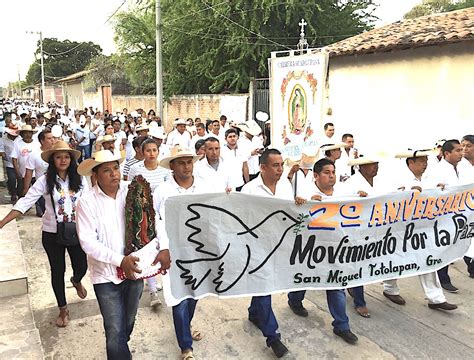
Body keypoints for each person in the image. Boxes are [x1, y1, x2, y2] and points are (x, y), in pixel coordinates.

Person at [76, 149, 171, 359]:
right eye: (107, 170)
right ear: (96, 175)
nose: (114, 174)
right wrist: (120, 260)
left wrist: (164, 247)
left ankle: (119, 347)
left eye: (116, 168)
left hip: (136, 270)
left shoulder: (134, 190)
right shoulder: (86, 202)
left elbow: (156, 221)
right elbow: (88, 242)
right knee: (114, 329)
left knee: (127, 322)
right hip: (105, 275)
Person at [0, 140, 88, 327]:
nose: (63, 160)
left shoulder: (80, 180)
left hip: (77, 232)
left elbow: (89, 205)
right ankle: (63, 308)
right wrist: (3, 222)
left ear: (71, 160)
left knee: (82, 266)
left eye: (66, 157)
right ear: (53, 160)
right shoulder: (44, 180)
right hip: (52, 234)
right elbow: (26, 201)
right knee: (57, 271)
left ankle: (76, 280)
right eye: (58, 156)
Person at [288, 158, 359, 344]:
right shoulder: (306, 193)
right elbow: (294, 217)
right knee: (305, 279)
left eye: (333, 172)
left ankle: (342, 326)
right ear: (316, 176)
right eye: (327, 172)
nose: (331, 175)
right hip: (311, 250)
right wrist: (304, 203)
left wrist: (363, 197)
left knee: (335, 286)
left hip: (336, 249)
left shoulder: (344, 192)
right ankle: (294, 300)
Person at [380, 150, 457, 310]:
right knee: (394, 257)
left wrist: (440, 189)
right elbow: (389, 198)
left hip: (423, 227)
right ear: (411, 163)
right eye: (421, 161)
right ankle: (390, 288)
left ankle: (436, 298)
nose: (425, 164)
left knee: (428, 258)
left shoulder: (429, 178)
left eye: (426, 160)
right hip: (400, 228)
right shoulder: (396, 178)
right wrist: (407, 192)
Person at [153, 146, 204, 360]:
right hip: (173, 250)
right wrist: (163, 247)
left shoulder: (204, 187)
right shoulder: (162, 191)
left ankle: (186, 324)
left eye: (189, 162)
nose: (186, 166)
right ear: (172, 166)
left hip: (199, 250)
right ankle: (186, 346)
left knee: (195, 293)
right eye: (181, 162)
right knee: (178, 296)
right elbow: (157, 220)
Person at [240, 148, 291, 358]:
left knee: (263, 288)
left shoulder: (286, 186)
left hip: (280, 246)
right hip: (257, 249)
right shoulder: (249, 190)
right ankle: (273, 337)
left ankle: (254, 313)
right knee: (264, 287)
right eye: (275, 165)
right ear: (262, 167)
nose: (280, 169)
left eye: (282, 165)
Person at [127, 137, 169, 306]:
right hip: (143, 217)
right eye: (148, 151)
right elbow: (130, 192)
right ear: (142, 152)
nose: (151, 154)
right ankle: (152, 292)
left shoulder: (165, 170)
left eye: (154, 150)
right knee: (148, 249)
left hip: (162, 215)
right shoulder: (135, 169)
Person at [432, 140, 464, 292]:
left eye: (461, 150)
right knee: (443, 245)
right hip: (443, 215)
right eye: (457, 150)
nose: (461, 153)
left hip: (458, 212)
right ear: (447, 153)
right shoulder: (438, 170)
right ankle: (442, 278)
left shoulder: (461, 168)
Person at [23, 129, 56, 216]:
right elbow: (29, 172)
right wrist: (26, 188)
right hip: (42, 188)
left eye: (53, 138)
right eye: (49, 138)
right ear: (42, 141)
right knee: (46, 212)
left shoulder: (58, 152)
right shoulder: (34, 154)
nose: (52, 140)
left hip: (57, 187)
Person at [11, 125, 40, 199]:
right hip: (23, 173)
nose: (28, 135)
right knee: (22, 193)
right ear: (22, 134)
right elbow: (14, 158)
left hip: (35, 174)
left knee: (37, 194)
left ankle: (39, 210)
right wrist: (17, 172)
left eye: (29, 133)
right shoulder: (17, 143)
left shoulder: (37, 144)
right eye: (25, 133)